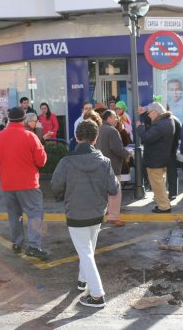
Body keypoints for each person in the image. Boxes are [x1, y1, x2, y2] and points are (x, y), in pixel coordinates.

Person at [51, 119, 119, 308]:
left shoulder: (66, 162)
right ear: (95, 139)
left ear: (76, 137)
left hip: (75, 214)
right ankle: (83, 281)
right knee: (88, 250)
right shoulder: (104, 162)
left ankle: (97, 295)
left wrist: (62, 197)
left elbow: (55, 186)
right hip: (97, 213)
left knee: (86, 252)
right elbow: (113, 189)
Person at [0, 107, 48, 260]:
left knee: (14, 215)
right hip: (28, 184)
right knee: (35, 214)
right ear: (23, 119)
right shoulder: (30, 136)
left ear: (9, 119)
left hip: (7, 184)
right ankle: (33, 246)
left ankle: (17, 243)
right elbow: (41, 161)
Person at [136, 102, 175, 213]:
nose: (148, 115)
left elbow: (146, 137)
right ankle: (163, 203)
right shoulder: (166, 120)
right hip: (162, 157)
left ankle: (164, 206)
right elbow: (151, 125)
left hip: (155, 159)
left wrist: (139, 127)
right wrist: (143, 115)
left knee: (158, 185)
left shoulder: (160, 124)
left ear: (155, 112)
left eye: (149, 113)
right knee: (160, 183)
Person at [96, 110, 131, 227]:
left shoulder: (99, 129)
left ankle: (103, 214)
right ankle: (114, 217)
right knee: (115, 193)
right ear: (109, 118)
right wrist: (127, 154)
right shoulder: (112, 131)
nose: (116, 119)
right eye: (115, 117)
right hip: (112, 166)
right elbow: (117, 149)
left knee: (103, 192)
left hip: (100, 165)